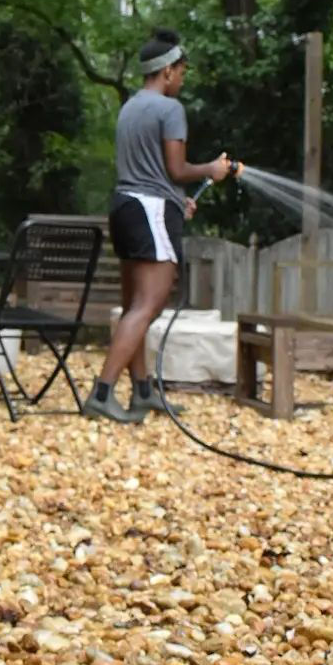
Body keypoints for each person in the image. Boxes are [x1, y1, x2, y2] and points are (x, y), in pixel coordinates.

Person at [83, 28, 230, 424]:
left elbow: (147, 171)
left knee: (135, 304)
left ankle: (143, 391)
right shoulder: (169, 109)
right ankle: (102, 393)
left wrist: (173, 197)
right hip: (148, 210)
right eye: (181, 71)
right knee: (148, 306)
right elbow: (177, 169)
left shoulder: (130, 107)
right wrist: (213, 171)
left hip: (126, 206)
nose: (183, 78)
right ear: (167, 71)